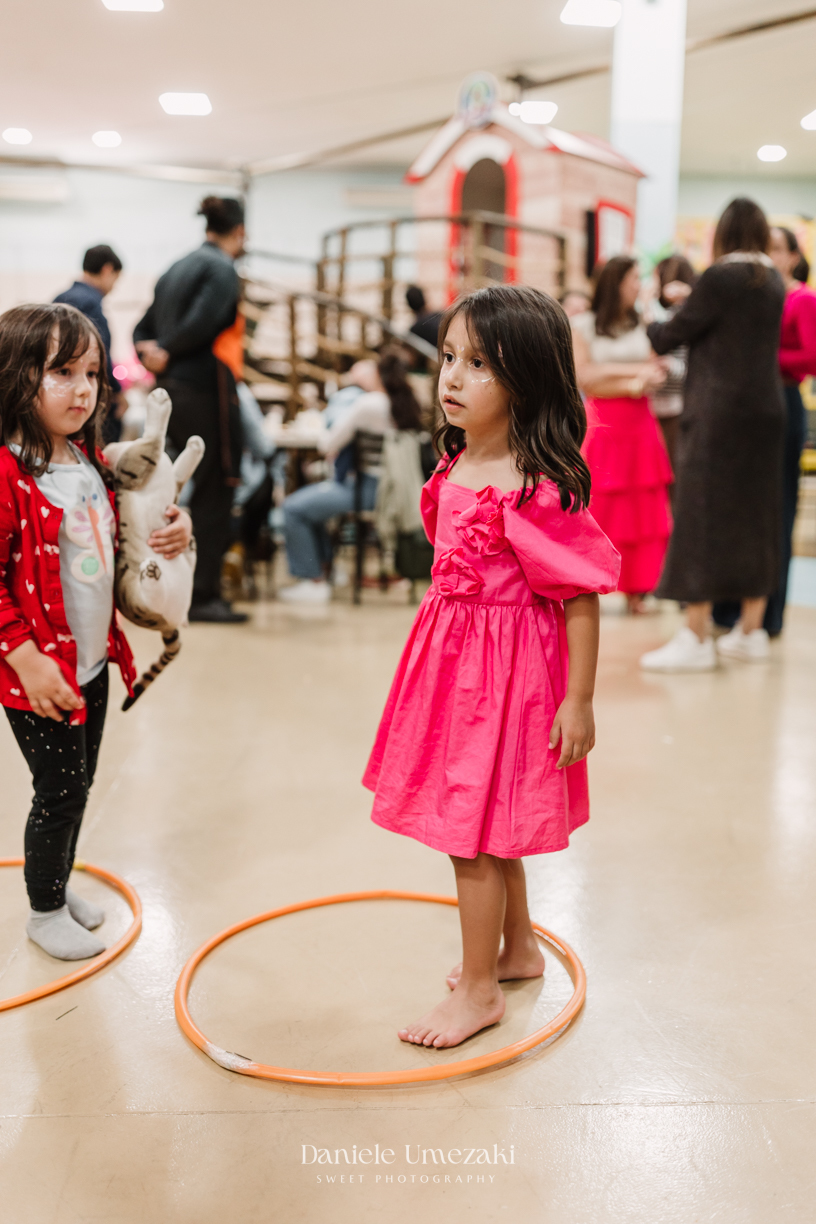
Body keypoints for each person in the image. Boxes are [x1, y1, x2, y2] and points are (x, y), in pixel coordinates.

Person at [363, 285, 620, 1049]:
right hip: (453, 670)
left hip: (508, 681)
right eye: (448, 357)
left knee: (468, 833)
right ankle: (518, 950)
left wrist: (578, 701)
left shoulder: (535, 486)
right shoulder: (459, 461)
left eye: (478, 364)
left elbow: (581, 596)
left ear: (528, 379)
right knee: (486, 823)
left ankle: (478, 992)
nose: (451, 377)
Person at [0, 303, 191, 960]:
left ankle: (55, 883)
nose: (83, 389)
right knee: (56, 792)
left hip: (91, 662)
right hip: (38, 672)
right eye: (61, 372)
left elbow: (139, 526)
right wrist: (25, 660)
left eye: (91, 373)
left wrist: (176, 529)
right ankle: (43, 909)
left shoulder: (88, 460)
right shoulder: (7, 472)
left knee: (78, 784)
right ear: (13, 376)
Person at [641, 198, 786, 671]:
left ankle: (696, 635)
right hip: (766, 411)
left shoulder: (721, 276)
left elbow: (667, 337)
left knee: (699, 512)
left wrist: (651, 309)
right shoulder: (774, 281)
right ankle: (750, 630)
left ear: (721, 233)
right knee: (758, 515)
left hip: (717, 412)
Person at [133, 196, 246, 624]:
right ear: (239, 232)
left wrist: (152, 351)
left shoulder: (176, 267)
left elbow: (143, 326)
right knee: (219, 483)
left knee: (172, 485)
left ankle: (165, 582)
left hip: (168, 393)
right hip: (203, 389)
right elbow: (204, 320)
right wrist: (168, 349)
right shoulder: (220, 268)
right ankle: (201, 595)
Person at [713, 227, 816, 638]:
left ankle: (768, 615)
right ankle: (730, 609)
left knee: (778, 508)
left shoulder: (802, 298)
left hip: (784, 403)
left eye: (777, 248)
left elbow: (811, 357)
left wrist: (758, 356)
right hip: (749, 406)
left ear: (793, 255)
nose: (769, 256)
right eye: (764, 248)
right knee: (742, 510)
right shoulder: (761, 295)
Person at [280, 350, 423, 604]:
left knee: (293, 508)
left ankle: (313, 580)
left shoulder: (369, 403)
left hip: (367, 491)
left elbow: (328, 443)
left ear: (379, 374)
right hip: (399, 491)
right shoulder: (409, 403)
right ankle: (327, 571)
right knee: (313, 508)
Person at [571, 256, 673, 613]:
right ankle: (592, 579)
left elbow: (656, 369)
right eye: (633, 278)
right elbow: (585, 376)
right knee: (602, 501)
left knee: (642, 505)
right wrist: (633, 378)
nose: (638, 285)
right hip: (605, 421)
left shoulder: (643, 322)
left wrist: (628, 377)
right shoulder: (582, 324)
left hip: (641, 420)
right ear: (614, 283)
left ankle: (639, 589)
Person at [54, 244, 124, 444]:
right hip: (85, 396)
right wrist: (117, 392)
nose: (113, 287)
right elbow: (98, 356)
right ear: (107, 270)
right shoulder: (90, 303)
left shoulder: (60, 298)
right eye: (116, 279)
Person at [648, 254, 698, 473]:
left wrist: (669, 366)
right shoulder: (667, 315)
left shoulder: (678, 319)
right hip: (657, 406)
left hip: (677, 407)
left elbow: (690, 366)